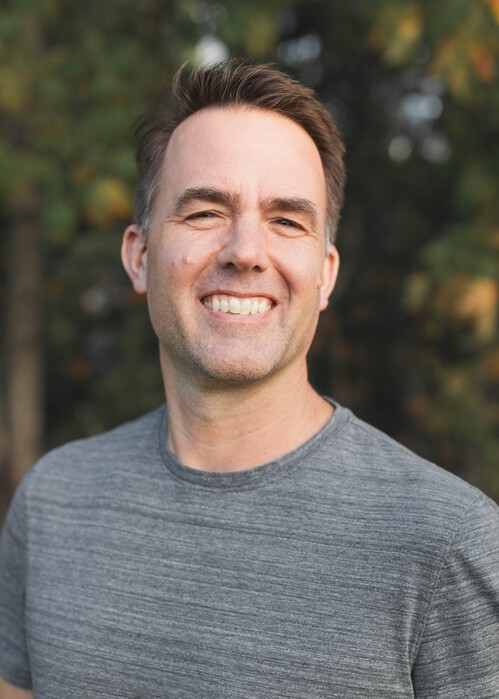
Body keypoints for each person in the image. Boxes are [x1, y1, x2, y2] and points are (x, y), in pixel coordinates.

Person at [0, 60, 498, 699]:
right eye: (206, 211)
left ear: (325, 274)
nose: (245, 251)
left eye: (287, 220)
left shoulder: (446, 541)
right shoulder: (51, 505)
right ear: (139, 256)